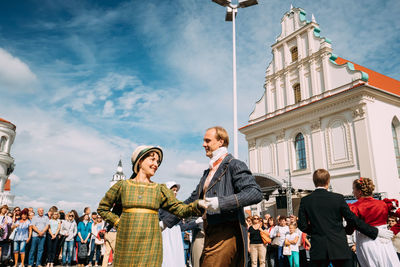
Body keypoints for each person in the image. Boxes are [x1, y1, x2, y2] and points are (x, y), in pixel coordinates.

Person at [160, 126, 263, 267]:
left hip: (226, 232)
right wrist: (165, 223)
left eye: (207, 140)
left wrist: (221, 203)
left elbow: (255, 192)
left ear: (220, 142)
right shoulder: (207, 172)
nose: (203, 144)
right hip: (210, 232)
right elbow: (191, 201)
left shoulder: (234, 164)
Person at [97, 145, 206, 267]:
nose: (156, 164)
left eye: (158, 161)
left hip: (151, 244)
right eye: (152, 159)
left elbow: (180, 209)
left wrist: (198, 204)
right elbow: (103, 208)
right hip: (126, 242)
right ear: (140, 161)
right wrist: (118, 222)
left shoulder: (160, 189)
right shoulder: (122, 186)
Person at [298, 169, 394, 267]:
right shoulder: (338, 198)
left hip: (318, 248)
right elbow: (353, 220)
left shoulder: (306, 200)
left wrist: (315, 231)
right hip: (339, 246)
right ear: (328, 181)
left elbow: (302, 225)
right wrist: (376, 232)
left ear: (314, 182)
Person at [347, 177, 400, 267]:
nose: (353, 192)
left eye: (353, 189)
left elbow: (350, 230)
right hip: (385, 241)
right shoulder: (383, 204)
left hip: (366, 243)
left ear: (359, 191)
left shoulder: (355, 207)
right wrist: (393, 230)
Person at [159, 181, 186, 267]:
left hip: (176, 234)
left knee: (176, 258)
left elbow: (181, 226)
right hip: (166, 233)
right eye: (173, 190)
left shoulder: (178, 205)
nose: (175, 192)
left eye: (176, 190)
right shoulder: (162, 205)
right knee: (167, 257)